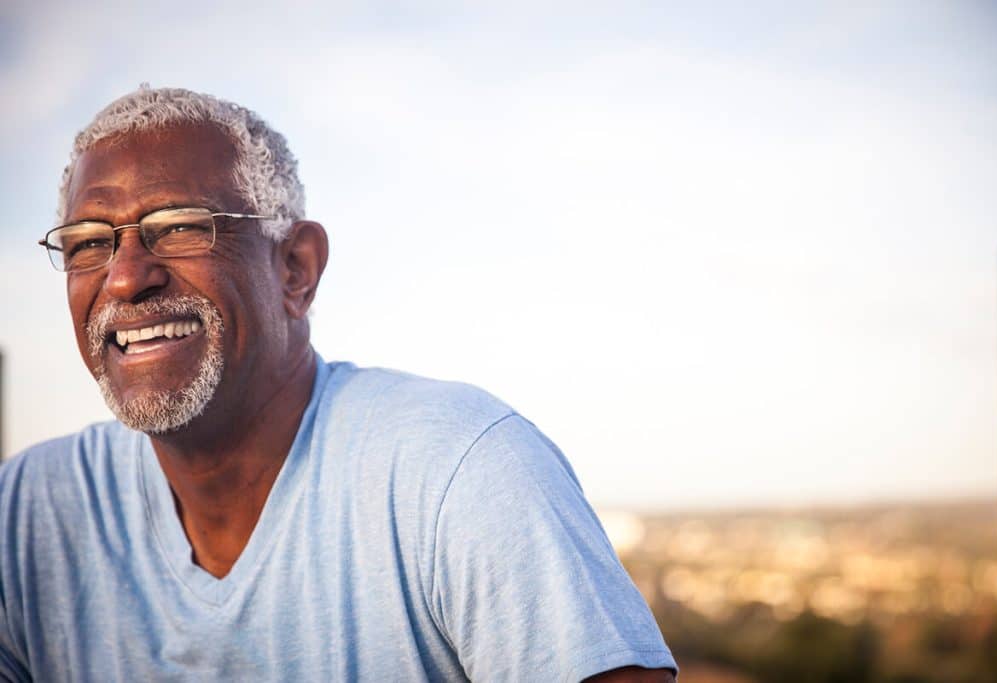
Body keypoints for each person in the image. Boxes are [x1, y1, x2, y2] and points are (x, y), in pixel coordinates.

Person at [0, 86, 676, 682]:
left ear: (295, 268)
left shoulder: (461, 471)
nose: (123, 277)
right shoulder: (27, 514)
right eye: (89, 241)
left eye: (179, 228)